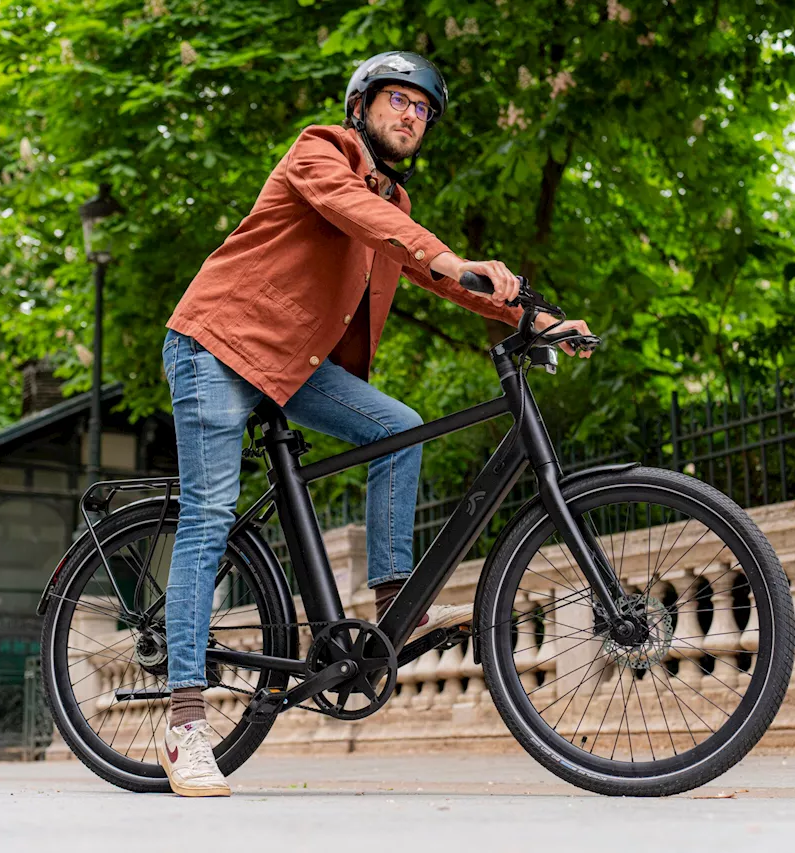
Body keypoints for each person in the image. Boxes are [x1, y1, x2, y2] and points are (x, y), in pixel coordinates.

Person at [158, 50, 594, 797]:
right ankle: (185, 723)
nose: (412, 117)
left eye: (424, 110)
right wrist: (447, 253)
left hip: (292, 363)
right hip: (218, 344)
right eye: (400, 100)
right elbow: (361, 215)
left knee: (399, 429)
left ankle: (396, 600)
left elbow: (433, 270)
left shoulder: (395, 205)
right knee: (208, 516)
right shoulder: (319, 151)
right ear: (362, 105)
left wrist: (536, 315)